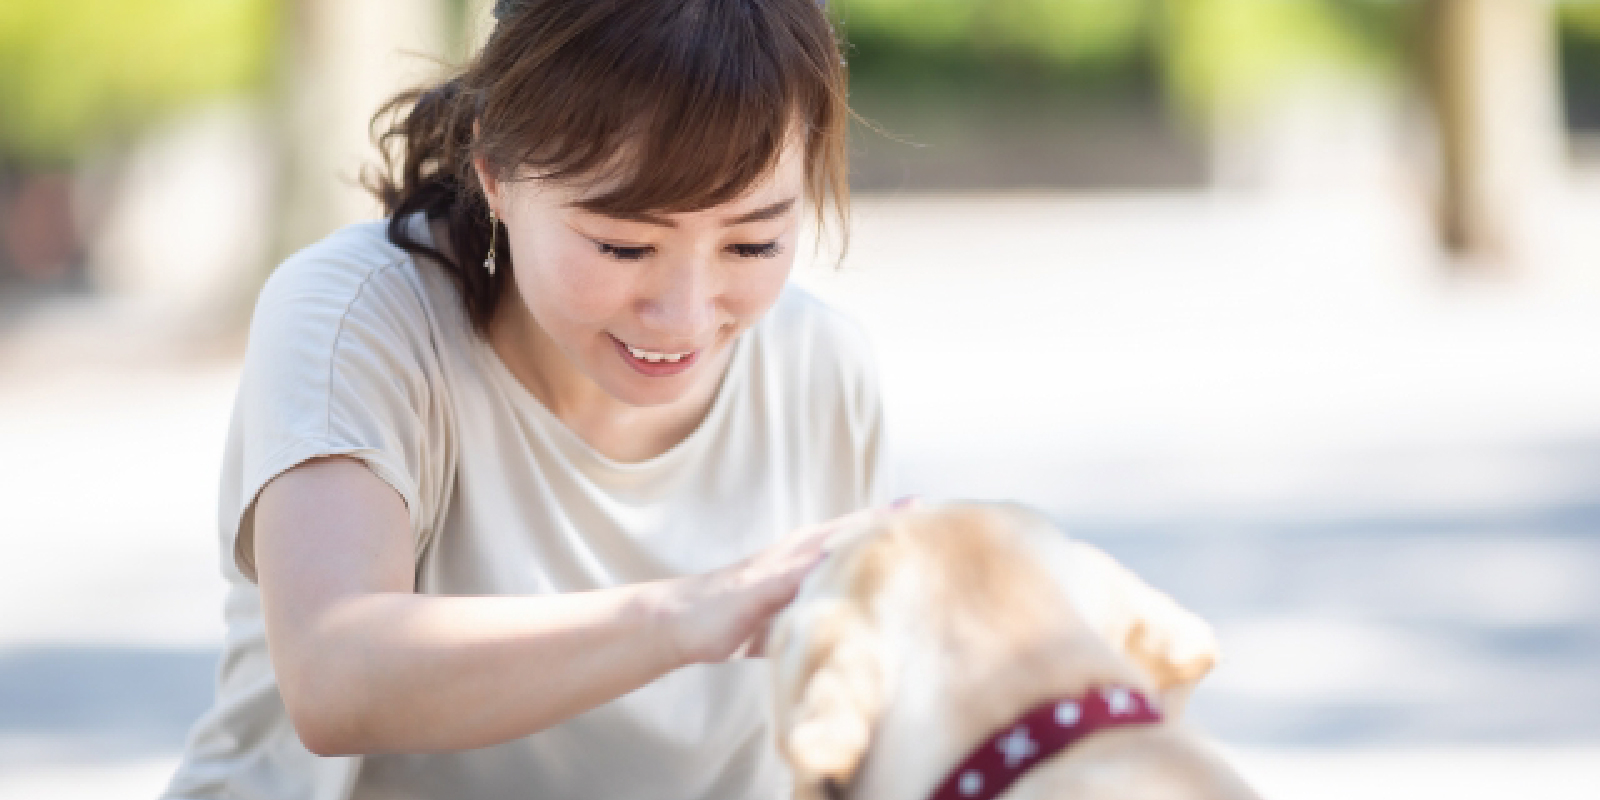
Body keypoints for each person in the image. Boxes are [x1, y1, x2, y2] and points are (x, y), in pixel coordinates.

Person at [161, 1, 891, 798]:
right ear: (496, 178)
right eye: (623, 244)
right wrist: (688, 616)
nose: (684, 314)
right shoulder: (358, 318)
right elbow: (338, 674)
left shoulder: (819, 365)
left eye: (752, 243)